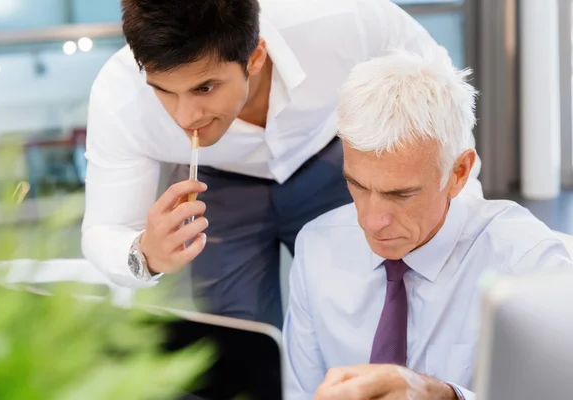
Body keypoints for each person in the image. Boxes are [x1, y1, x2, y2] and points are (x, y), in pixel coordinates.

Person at [81, 0, 483, 329]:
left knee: (367, 319)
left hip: (331, 160)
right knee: (238, 346)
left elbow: (443, 93)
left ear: (255, 56)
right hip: (217, 190)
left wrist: (456, 214)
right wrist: (144, 254)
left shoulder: (343, 18)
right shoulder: (119, 98)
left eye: (205, 87)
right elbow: (103, 229)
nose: (185, 116)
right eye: (164, 91)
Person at [281, 48, 573, 399]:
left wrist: (447, 397)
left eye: (401, 194)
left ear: (459, 173)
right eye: (357, 186)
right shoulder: (317, 246)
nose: (372, 221)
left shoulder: (527, 264)